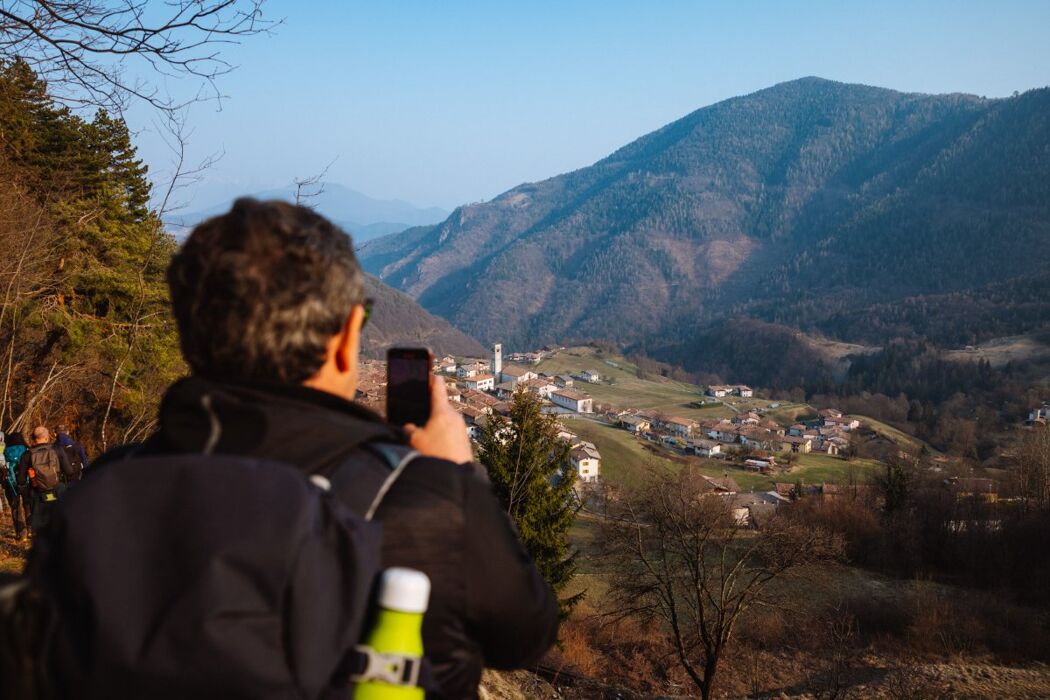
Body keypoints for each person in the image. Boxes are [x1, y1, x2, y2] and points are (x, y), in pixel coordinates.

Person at [92, 198, 559, 699]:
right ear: (345, 340)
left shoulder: (106, 491)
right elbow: (524, 636)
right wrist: (458, 477)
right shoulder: (424, 501)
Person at [16, 426, 75, 535]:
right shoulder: (57, 450)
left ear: (33, 438)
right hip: (58, 489)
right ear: (47, 438)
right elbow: (69, 471)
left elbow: (21, 480)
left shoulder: (27, 455)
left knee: (40, 527)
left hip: (37, 492)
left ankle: (43, 547)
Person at [3, 431, 30, 541]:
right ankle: (30, 529)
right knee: (27, 505)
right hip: (26, 483)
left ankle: (21, 533)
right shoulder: (26, 450)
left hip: (10, 484)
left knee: (15, 507)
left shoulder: (4, 452)